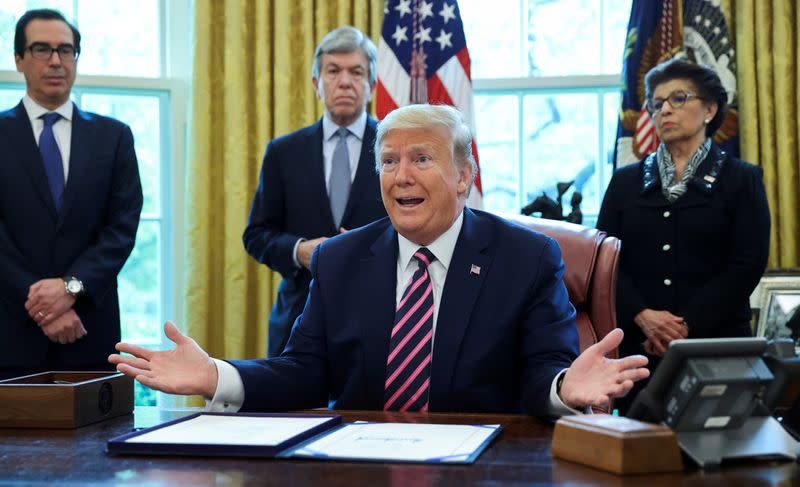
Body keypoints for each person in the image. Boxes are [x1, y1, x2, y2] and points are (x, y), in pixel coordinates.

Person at [111, 104, 648, 417]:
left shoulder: (526, 257)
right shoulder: (341, 259)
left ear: (464, 176)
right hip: (358, 465)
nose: (401, 176)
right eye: (389, 161)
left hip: (482, 466)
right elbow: (305, 372)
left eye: (421, 159)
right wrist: (215, 376)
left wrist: (563, 390)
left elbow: (542, 374)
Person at [597, 58, 770, 411]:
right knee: (640, 455)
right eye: (657, 103)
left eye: (678, 98)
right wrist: (642, 315)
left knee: (721, 452)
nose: (665, 110)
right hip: (640, 350)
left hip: (717, 344)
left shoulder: (742, 179)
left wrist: (684, 326)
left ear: (710, 109)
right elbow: (604, 259)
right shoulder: (625, 182)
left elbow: (746, 264)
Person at [0, 9, 143, 380]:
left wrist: (70, 289)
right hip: (10, 332)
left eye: (66, 50)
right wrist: (44, 305)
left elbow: (121, 230)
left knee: (99, 438)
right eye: (41, 49)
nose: (55, 61)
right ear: (19, 58)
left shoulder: (114, 137)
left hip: (89, 331)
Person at [243, 26, 387, 358]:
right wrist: (299, 250)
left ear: (372, 86)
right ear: (316, 83)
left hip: (378, 319)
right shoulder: (283, 151)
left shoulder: (396, 150)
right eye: (333, 71)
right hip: (298, 318)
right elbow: (256, 234)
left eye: (357, 72)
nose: (345, 81)